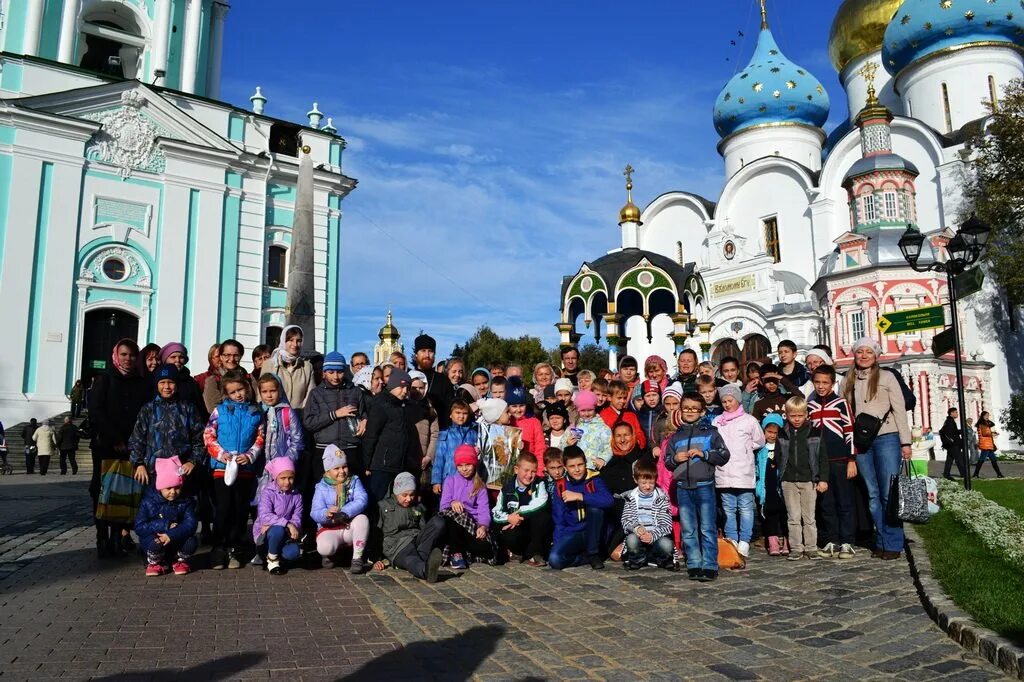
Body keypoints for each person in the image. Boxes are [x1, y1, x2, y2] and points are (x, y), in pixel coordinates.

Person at [844, 337, 912, 560]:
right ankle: (881, 540)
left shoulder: (887, 377)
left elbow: (899, 410)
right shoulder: (848, 379)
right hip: (862, 441)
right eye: (860, 352)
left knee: (888, 493)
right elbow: (845, 412)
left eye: (868, 352)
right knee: (872, 494)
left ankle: (893, 542)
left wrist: (906, 442)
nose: (863, 356)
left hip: (886, 438)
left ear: (876, 356)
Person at [89, 339, 150, 558]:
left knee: (122, 492)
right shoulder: (104, 379)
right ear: (116, 355)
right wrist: (114, 437)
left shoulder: (140, 382)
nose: (128, 359)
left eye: (132, 355)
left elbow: (143, 415)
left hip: (130, 447)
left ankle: (117, 535)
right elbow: (96, 411)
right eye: (124, 354)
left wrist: (134, 441)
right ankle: (101, 536)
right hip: (106, 445)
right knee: (101, 490)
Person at [203, 369, 265, 569]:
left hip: (245, 470)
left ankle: (235, 548)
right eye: (233, 392)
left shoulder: (255, 412)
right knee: (223, 509)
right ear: (226, 394)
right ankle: (218, 548)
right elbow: (209, 435)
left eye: (241, 389)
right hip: (222, 469)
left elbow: (260, 438)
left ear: (247, 388)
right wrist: (221, 454)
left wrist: (250, 455)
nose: (238, 394)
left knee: (240, 510)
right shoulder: (219, 411)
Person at [664, 392, 729, 581]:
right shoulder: (676, 437)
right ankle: (693, 562)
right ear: (681, 411)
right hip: (683, 487)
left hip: (704, 485)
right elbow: (668, 461)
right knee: (688, 528)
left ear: (702, 412)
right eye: (686, 408)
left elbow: (724, 455)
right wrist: (675, 459)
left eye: (694, 408)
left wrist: (704, 454)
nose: (690, 411)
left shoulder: (711, 433)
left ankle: (709, 564)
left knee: (707, 527)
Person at [807, 365, 857, 559]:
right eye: (817, 382)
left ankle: (847, 541)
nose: (820, 386)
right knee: (826, 503)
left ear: (833, 383)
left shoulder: (841, 403)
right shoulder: (809, 405)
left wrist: (852, 460)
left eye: (825, 382)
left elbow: (850, 431)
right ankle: (832, 540)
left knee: (844, 502)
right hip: (821, 463)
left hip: (841, 461)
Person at [129, 364, 204, 487]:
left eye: (171, 382)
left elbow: (199, 439)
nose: (166, 387)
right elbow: (137, 439)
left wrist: (192, 461)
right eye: (162, 382)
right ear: (157, 384)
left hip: (181, 472)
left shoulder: (188, 408)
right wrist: (139, 464)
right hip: (152, 473)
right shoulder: (148, 409)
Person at [713, 385, 765, 558]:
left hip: (743, 472)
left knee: (745, 508)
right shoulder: (717, 421)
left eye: (730, 401)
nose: (727, 404)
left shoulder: (749, 421)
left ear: (738, 400)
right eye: (724, 401)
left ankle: (744, 540)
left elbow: (759, 440)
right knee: (728, 508)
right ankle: (732, 539)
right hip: (724, 472)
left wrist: (744, 451)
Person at [779, 396, 829, 561]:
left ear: (806, 414)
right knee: (793, 517)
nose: (797, 419)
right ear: (786, 415)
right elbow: (779, 456)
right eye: (793, 416)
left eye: (800, 415)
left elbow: (822, 457)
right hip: (788, 480)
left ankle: (811, 547)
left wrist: (823, 479)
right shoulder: (783, 433)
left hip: (809, 480)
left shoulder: (815, 432)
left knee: (809, 517)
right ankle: (796, 548)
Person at [548, 445, 614, 570]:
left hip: (594, 532)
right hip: (573, 532)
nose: (577, 470)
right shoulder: (561, 485)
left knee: (595, 509)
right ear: (565, 467)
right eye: (572, 466)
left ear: (585, 463)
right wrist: (558, 544)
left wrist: (580, 496)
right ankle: (584, 558)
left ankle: (593, 553)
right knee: (555, 559)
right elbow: (559, 519)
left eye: (580, 465)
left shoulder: (594, 479)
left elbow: (609, 500)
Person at [373, 472, 446, 582]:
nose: (408, 499)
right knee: (410, 559)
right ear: (396, 492)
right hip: (397, 546)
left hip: (416, 540)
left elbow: (423, 529)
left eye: (412, 495)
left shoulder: (418, 507)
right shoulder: (383, 506)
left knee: (438, 522)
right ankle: (425, 571)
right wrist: (376, 558)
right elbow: (375, 534)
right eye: (404, 495)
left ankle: (425, 560)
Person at [304, 351, 363, 483]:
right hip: (324, 450)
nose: (335, 376)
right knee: (324, 491)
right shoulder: (316, 394)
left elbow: (364, 413)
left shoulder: (355, 391)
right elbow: (309, 423)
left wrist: (365, 420)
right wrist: (334, 414)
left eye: (340, 372)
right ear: (324, 372)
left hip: (350, 450)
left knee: (351, 491)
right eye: (331, 372)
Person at [134, 457, 199, 576]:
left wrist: (171, 535)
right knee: (155, 543)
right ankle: (154, 562)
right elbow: (139, 526)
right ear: (160, 487)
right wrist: (164, 525)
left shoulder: (185, 501)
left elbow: (191, 523)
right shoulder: (148, 501)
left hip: (175, 538)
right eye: (168, 488)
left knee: (191, 541)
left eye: (177, 488)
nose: (173, 492)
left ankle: (178, 560)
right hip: (155, 538)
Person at [362, 369, 419, 503]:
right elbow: (371, 436)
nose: (405, 391)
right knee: (378, 500)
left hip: (400, 464)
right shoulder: (380, 404)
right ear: (392, 385)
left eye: (408, 388)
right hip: (382, 464)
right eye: (402, 387)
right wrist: (367, 464)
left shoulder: (404, 406)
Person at [311, 445, 370, 573]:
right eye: (336, 468)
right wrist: (326, 513)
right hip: (329, 527)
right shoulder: (321, 487)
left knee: (362, 519)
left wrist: (345, 512)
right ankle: (332, 555)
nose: (342, 471)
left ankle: (357, 558)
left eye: (344, 467)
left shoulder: (354, 481)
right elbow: (314, 512)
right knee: (325, 548)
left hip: (348, 524)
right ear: (328, 471)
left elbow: (362, 499)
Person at [439, 445, 496, 569]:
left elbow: (483, 509)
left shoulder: (479, 486)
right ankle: (456, 554)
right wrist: (453, 502)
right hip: (455, 522)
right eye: (460, 465)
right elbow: (443, 506)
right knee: (451, 517)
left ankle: (468, 549)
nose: (464, 469)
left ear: (474, 464)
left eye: (468, 465)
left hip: (471, 525)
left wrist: (483, 526)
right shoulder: (450, 481)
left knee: (486, 548)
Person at [492, 452, 551, 567]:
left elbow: (541, 502)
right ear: (516, 469)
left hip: (533, 529)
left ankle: (536, 553)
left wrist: (519, 512)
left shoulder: (539, 484)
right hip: (516, 529)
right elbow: (495, 512)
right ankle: (517, 552)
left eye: (533, 471)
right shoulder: (506, 489)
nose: (529, 475)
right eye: (526, 470)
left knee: (542, 516)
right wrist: (508, 517)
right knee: (508, 533)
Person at [621, 457, 676, 571]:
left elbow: (666, 524)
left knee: (666, 544)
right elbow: (626, 520)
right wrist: (636, 529)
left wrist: (653, 535)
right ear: (636, 480)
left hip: (656, 536)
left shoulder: (661, 498)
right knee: (631, 540)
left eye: (651, 482)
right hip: (639, 535)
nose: (647, 486)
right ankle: (638, 559)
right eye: (644, 482)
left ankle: (661, 559)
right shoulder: (631, 498)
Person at [252, 457, 303, 575]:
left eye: (290, 478)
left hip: (286, 533)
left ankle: (274, 554)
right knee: (277, 530)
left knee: (293, 553)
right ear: (275, 478)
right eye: (283, 478)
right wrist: (287, 523)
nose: (287, 482)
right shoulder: (267, 492)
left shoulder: (296, 495)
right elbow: (265, 515)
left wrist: (293, 525)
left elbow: (297, 516)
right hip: (267, 533)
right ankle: (272, 559)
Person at [755, 414, 789, 556]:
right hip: (766, 486)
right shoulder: (760, 448)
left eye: (776, 432)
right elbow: (756, 467)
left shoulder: (783, 447)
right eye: (769, 432)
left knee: (785, 513)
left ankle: (786, 540)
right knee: (769, 514)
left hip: (780, 485)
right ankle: (772, 541)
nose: (772, 435)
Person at [261, 325, 316, 411]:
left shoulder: (307, 367)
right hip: (274, 418)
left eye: (298, 341)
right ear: (283, 341)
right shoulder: (270, 364)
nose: (295, 344)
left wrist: (300, 414)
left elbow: (310, 394)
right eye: (291, 340)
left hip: (299, 419)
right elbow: (261, 393)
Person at [432, 400, 478, 494]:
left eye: (465, 413)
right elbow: (439, 459)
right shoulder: (445, 434)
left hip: (469, 479)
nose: (461, 416)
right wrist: (436, 481)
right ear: (450, 415)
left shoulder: (473, 433)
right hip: (450, 477)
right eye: (458, 413)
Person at [412, 333, 455, 429]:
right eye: (423, 351)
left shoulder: (443, 380)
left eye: (430, 351)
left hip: (440, 432)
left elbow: (450, 408)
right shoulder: (409, 376)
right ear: (416, 354)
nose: (427, 355)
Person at [160, 342, 207, 421]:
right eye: (173, 357)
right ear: (165, 360)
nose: (177, 360)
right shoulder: (157, 380)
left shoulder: (191, 383)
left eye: (181, 357)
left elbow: (200, 409)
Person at [203, 339, 249, 414]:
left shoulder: (248, 378)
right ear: (221, 357)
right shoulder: (213, 380)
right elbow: (213, 409)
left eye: (236, 355)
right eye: (227, 355)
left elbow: (256, 402)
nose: (232, 359)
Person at [600, 380, 647, 449]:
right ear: (609, 397)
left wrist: (639, 442)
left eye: (624, 398)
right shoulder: (603, 415)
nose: (622, 401)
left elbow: (639, 432)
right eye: (619, 398)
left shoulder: (631, 415)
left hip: (631, 452)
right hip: (613, 453)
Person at [506, 377, 545, 458]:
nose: (518, 410)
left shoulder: (534, 422)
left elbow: (540, 447)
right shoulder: (506, 422)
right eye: (514, 406)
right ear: (508, 407)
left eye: (521, 405)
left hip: (530, 466)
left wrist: (539, 468)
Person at [573, 390, 612, 471]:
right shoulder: (575, 426)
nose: (586, 414)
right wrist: (567, 444)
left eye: (590, 410)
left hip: (594, 470)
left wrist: (603, 459)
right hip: (576, 470)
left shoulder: (602, 428)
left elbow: (609, 447)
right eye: (583, 411)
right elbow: (562, 447)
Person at [974, 411, 1004, 478]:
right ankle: (975, 474)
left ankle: (999, 474)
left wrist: (987, 420)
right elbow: (985, 434)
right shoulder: (982, 424)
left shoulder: (985, 423)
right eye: (986, 415)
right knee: (981, 460)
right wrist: (993, 434)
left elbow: (992, 424)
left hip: (988, 445)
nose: (987, 417)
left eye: (988, 415)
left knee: (993, 460)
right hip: (985, 445)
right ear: (982, 416)